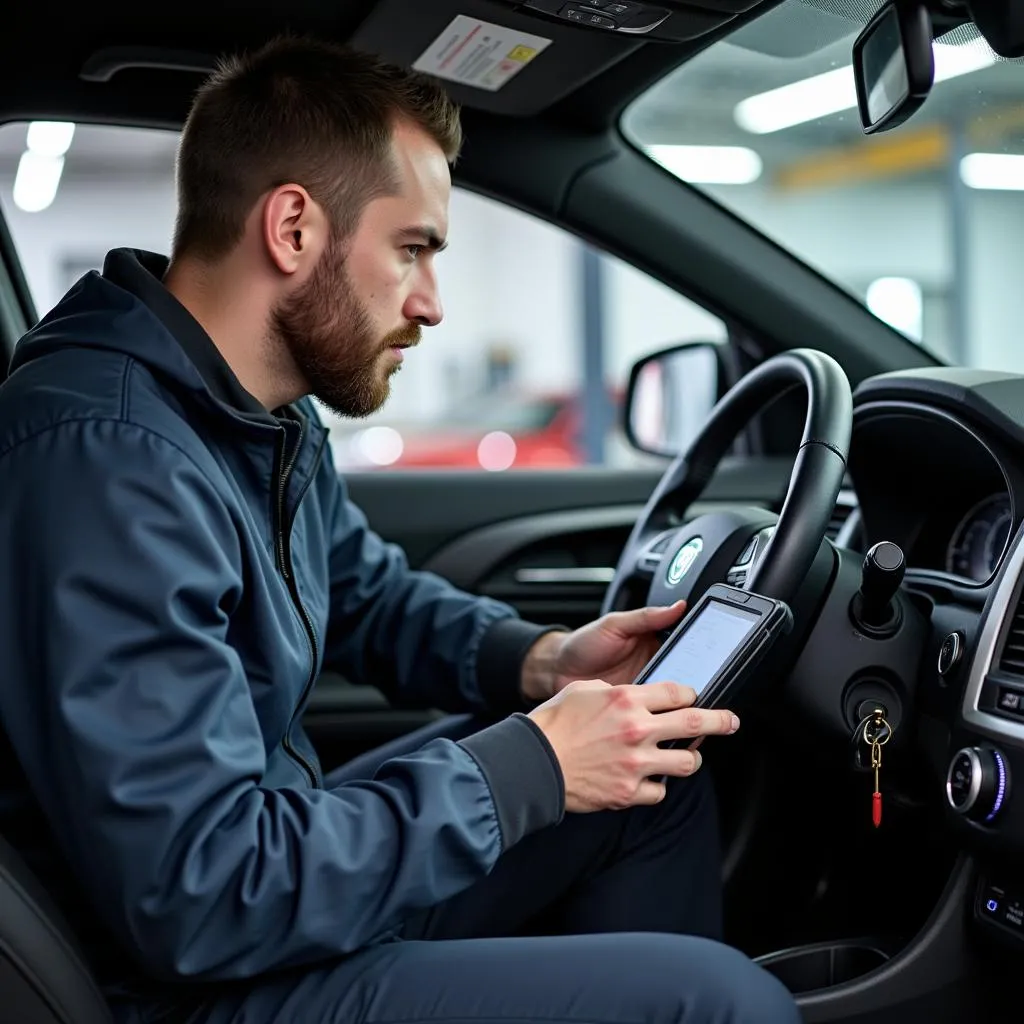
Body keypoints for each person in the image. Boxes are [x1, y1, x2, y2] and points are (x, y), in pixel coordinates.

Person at [0, 36, 800, 1024]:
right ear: (292, 227)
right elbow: (197, 894)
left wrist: (545, 665)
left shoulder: (251, 412)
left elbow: (363, 593)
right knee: (723, 1004)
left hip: (260, 883)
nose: (429, 303)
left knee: (644, 782)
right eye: (412, 248)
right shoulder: (108, 461)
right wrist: (530, 767)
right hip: (180, 979)